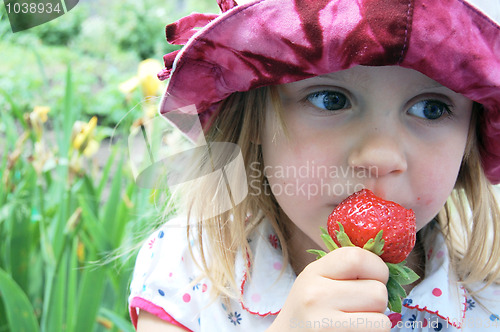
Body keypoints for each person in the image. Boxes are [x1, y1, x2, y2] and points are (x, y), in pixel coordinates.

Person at [128, 0, 500, 331]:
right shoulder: (189, 272)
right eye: (331, 99)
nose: (381, 156)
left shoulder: (490, 301)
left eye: (430, 109)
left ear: (470, 136)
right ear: (255, 118)